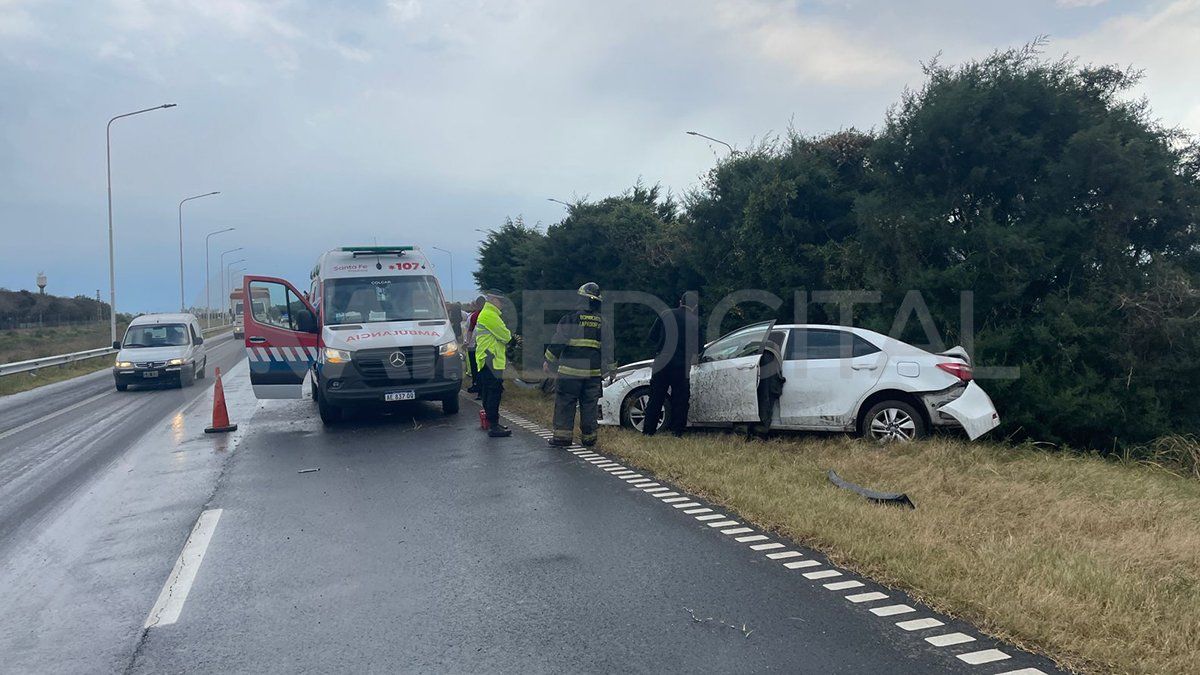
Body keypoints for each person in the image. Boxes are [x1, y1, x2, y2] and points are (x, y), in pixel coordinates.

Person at [544, 282, 605, 447]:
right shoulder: (602, 322)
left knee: (565, 402)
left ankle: (562, 438)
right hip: (592, 374)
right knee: (589, 405)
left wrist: (548, 360)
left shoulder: (569, 319)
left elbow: (558, 342)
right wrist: (610, 370)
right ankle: (589, 438)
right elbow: (609, 348)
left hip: (570, 373)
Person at [643, 293, 700, 436]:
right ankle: (677, 432)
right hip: (681, 363)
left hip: (662, 361)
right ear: (695, 306)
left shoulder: (666, 314)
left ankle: (648, 431)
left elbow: (652, 336)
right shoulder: (695, 321)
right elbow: (698, 347)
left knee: (656, 397)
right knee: (680, 398)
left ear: (680, 301)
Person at [474, 291, 513, 438]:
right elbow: (506, 336)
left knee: (487, 392)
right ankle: (494, 426)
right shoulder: (490, 315)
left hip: (486, 359)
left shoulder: (487, 314)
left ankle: (492, 422)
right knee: (494, 392)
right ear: (494, 300)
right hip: (492, 359)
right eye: (501, 301)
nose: (502, 304)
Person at [463, 296, 485, 397]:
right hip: (481, 346)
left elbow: (470, 330)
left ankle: (478, 386)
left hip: (475, 346)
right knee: (480, 368)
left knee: (476, 368)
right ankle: (479, 387)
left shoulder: (475, 315)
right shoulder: (477, 315)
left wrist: (467, 341)